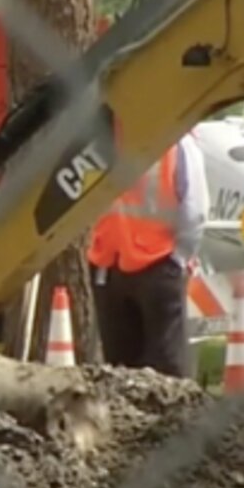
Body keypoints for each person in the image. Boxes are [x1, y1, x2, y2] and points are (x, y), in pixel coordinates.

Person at [87, 133, 210, 378]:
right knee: (127, 370)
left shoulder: (175, 142)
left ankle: (168, 416)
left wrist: (177, 258)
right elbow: (195, 209)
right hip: (116, 264)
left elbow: (195, 211)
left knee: (159, 367)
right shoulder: (107, 138)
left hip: (144, 264)